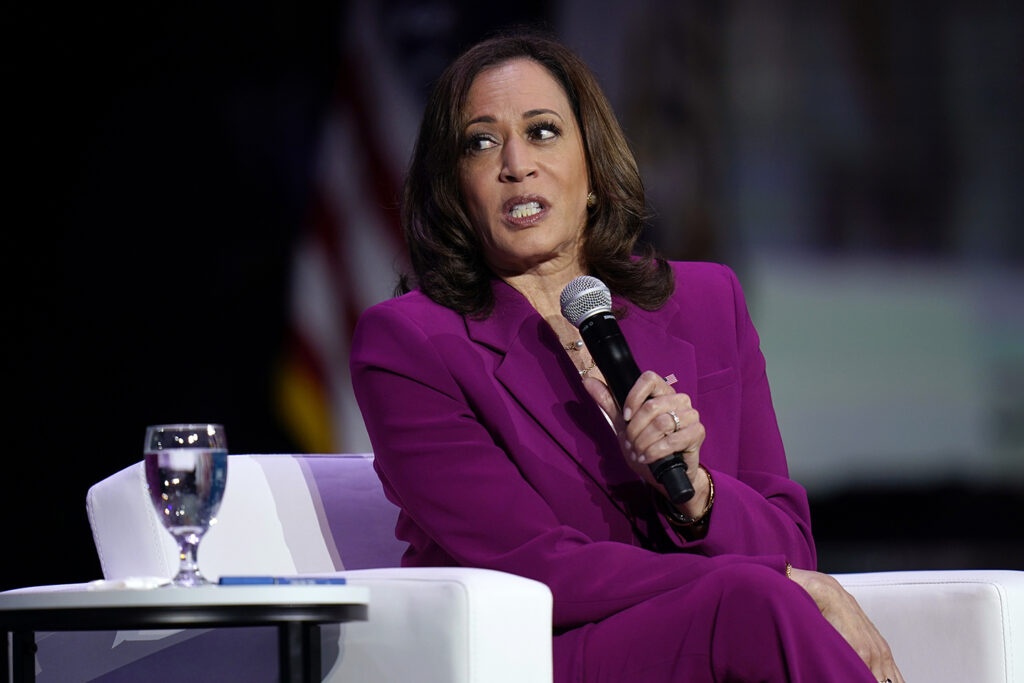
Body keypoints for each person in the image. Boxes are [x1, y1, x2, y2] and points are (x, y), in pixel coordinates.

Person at [350, 31, 903, 683]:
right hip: (541, 652)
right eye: (481, 141)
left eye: (544, 130)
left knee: (756, 603)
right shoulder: (410, 343)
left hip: (716, 621)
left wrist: (697, 495)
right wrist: (774, 580)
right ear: (455, 189)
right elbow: (534, 565)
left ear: (591, 167)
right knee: (754, 604)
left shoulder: (705, 302)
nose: (516, 163)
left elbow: (788, 541)